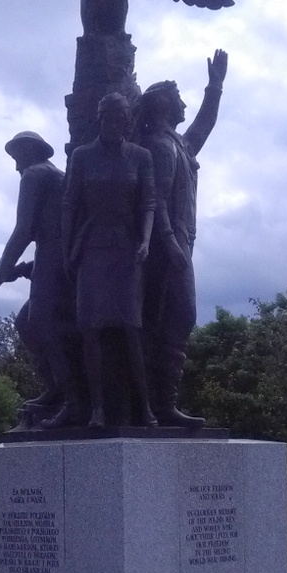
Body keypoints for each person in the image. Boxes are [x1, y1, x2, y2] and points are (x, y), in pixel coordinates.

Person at [135, 49, 227, 427]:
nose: (184, 102)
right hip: (164, 250)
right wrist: (171, 245)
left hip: (179, 246)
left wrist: (215, 87)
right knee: (172, 319)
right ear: (163, 105)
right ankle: (157, 404)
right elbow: (153, 200)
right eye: (178, 98)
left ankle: (161, 403)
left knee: (175, 321)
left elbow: (202, 129)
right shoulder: (157, 146)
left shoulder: (175, 143)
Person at [61, 92, 157, 428]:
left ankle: (144, 407)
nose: (116, 123)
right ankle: (97, 408)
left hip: (128, 251)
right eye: (109, 117)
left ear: (128, 120)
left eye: (122, 118)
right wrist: (67, 251)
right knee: (91, 329)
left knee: (131, 328)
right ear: (101, 119)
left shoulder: (140, 156)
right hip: (92, 249)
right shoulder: (83, 157)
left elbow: (148, 204)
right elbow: (70, 204)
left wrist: (145, 240)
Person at [0, 131, 75, 427]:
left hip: (54, 257)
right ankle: (59, 389)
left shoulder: (35, 175)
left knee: (37, 323)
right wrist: (21, 269)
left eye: (17, 158)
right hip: (61, 258)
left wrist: (2, 268)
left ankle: (69, 394)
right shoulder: (57, 175)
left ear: (30, 152)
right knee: (31, 322)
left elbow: (25, 229)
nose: (16, 168)